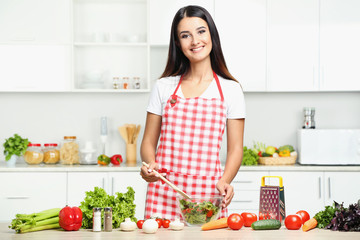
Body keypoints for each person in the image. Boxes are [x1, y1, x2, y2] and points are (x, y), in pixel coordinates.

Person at [140, 5, 245, 220]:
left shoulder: (231, 90)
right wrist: (151, 166)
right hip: (164, 191)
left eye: (201, 31)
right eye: (185, 35)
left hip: (208, 195)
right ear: (178, 43)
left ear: (211, 35)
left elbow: (235, 149)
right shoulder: (164, 87)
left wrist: (225, 181)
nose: (195, 41)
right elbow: (148, 142)